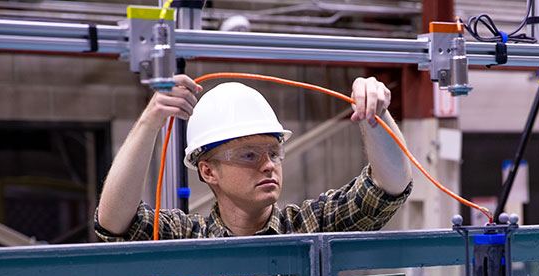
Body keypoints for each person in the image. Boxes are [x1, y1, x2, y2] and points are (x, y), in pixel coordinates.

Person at [95, 75, 412, 241]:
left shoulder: (308, 228)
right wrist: (150, 121)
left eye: (274, 153)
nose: (269, 164)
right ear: (208, 171)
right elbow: (114, 223)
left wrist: (377, 114)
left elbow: (389, 187)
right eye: (249, 155)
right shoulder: (186, 239)